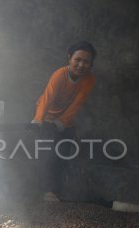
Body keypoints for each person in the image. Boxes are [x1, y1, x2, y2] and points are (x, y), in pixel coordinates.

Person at [31, 41, 96, 202]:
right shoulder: (59, 75)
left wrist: (62, 123)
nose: (81, 65)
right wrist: (38, 119)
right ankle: (47, 191)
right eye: (77, 59)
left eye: (86, 61)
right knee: (49, 154)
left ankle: (58, 191)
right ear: (69, 59)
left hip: (66, 119)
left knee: (65, 153)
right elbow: (47, 98)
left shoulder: (89, 80)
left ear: (90, 64)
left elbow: (77, 104)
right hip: (46, 117)